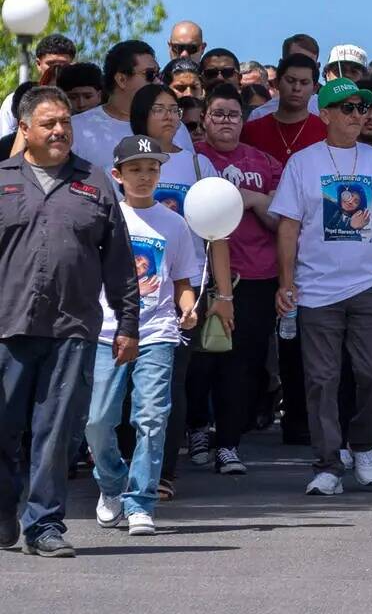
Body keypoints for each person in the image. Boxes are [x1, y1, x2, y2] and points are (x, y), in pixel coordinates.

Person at [0, 86, 139, 556]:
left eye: (65, 122)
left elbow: (120, 260)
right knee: (3, 427)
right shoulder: (1, 179)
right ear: (24, 129)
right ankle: (3, 512)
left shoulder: (94, 181)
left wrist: (128, 323)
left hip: (72, 328)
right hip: (7, 328)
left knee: (56, 433)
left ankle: (44, 526)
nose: (60, 130)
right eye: (48, 123)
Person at [270, 77, 372, 496]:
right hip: (316, 289)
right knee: (321, 380)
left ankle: (364, 444)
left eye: (362, 108)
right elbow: (288, 227)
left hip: (371, 285)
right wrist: (286, 283)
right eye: (348, 108)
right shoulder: (303, 162)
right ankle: (328, 464)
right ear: (326, 114)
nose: (359, 115)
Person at [86, 134, 200, 537]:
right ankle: (112, 482)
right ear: (117, 175)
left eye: (152, 168)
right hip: (106, 332)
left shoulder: (175, 223)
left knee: (151, 418)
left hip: (157, 332)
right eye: (135, 169)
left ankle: (140, 502)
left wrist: (188, 306)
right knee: (98, 421)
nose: (145, 176)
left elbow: (183, 281)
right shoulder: (106, 219)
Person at [127, 83, 235, 489]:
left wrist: (223, 296)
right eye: (159, 109)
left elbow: (218, 235)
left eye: (174, 109)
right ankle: (125, 468)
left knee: (171, 385)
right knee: (121, 392)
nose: (170, 116)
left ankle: (162, 473)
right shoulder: (119, 162)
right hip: (128, 291)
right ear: (141, 115)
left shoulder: (196, 165)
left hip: (184, 290)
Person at [195, 84, 287, 473]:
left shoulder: (264, 163)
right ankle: (198, 428)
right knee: (199, 364)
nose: (226, 121)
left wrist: (250, 199)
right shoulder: (192, 160)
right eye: (218, 114)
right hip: (199, 279)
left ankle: (229, 444)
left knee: (243, 365)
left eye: (233, 114)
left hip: (256, 277)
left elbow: (281, 219)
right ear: (203, 119)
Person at [72, 40, 194, 171]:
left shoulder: (175, 126)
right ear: (122, 80)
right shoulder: (77, 128)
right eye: (150, 74)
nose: (158, 81)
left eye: (159, 74)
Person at [241, 54, 326, 165]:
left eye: (304, 83)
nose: (297, 88)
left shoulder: (326, 133)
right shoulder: (250, 131)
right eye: (290, 81)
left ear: (314, 89)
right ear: (277, 83)